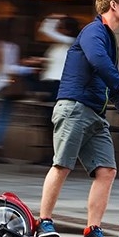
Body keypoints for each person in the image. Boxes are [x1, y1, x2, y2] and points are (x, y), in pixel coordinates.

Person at [35, 0, 119, 237]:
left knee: (107, 171)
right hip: (74, 107)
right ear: (113, 5)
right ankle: (44, 222)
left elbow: (106, 78)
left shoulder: (108, 39)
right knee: (62, 165)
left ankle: (92, 230)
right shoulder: (94, 32)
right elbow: (98, 62)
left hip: (94, 113)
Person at [0, 18, 41, 163]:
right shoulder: (11, 47)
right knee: (3, 117)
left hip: (0, 84)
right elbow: (8, 68)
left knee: (1, 116)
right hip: (8, 85)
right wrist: (28, 69)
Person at [33, 14, 81, 166]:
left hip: (59, 86)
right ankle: (50, 154)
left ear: (68, 30)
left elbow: (46, 30)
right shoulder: (57, 46)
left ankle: (60, 155)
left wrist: (52, 18)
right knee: (48, 122)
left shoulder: (71, 42)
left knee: (58, 122)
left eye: (61, 27)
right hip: (49, 85)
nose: (58, 30)